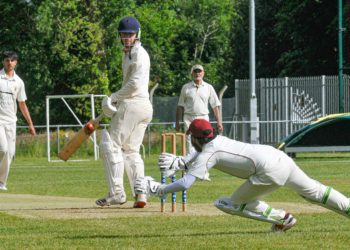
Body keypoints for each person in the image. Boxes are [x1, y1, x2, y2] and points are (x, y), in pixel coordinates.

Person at [135, 119, 350, 232]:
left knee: (227, 203)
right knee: (314, 191)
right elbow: (198, 154)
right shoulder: (217, 140)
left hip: (267, 172)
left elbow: (185, 184)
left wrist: (158, 189)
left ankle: (282, 218)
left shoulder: (209, 152)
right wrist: (181, 162)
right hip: (278, 156)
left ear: (195, 138)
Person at [96, 16, 153, 208]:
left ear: (137, 34)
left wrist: (114, 97)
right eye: (124, 34)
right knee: (130, 150)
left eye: (130, 34)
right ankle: (141, 192)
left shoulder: (139, 54)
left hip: (134, 104)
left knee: (110, 144)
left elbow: (134, 84)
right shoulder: (128, 53)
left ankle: (117, 193)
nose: (127, 37)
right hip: (142, 106)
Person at [0, 51, 36, 191]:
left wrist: (30, 124)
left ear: (16, 63)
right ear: (3, 62)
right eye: (7, 60)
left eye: (12, 61)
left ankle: (2, 182)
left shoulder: (19, 82)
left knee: (10, 152)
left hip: (11, 121)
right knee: (3, 149)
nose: (9, 63)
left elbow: (22, 104)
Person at [175, 64, 223, 154]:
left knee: (205, 140)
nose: (197, 73)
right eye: (195, 71)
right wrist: (177, 123)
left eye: (199, 71)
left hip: (203, 117)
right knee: (189, 140)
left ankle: (203, 161)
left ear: (203, 73)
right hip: (189, 118)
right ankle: (191, 164)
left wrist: (219, 122)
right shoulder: (186, 87)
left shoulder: (209, 87)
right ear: (192, 74)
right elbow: (180, 106)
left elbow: (215, 106)